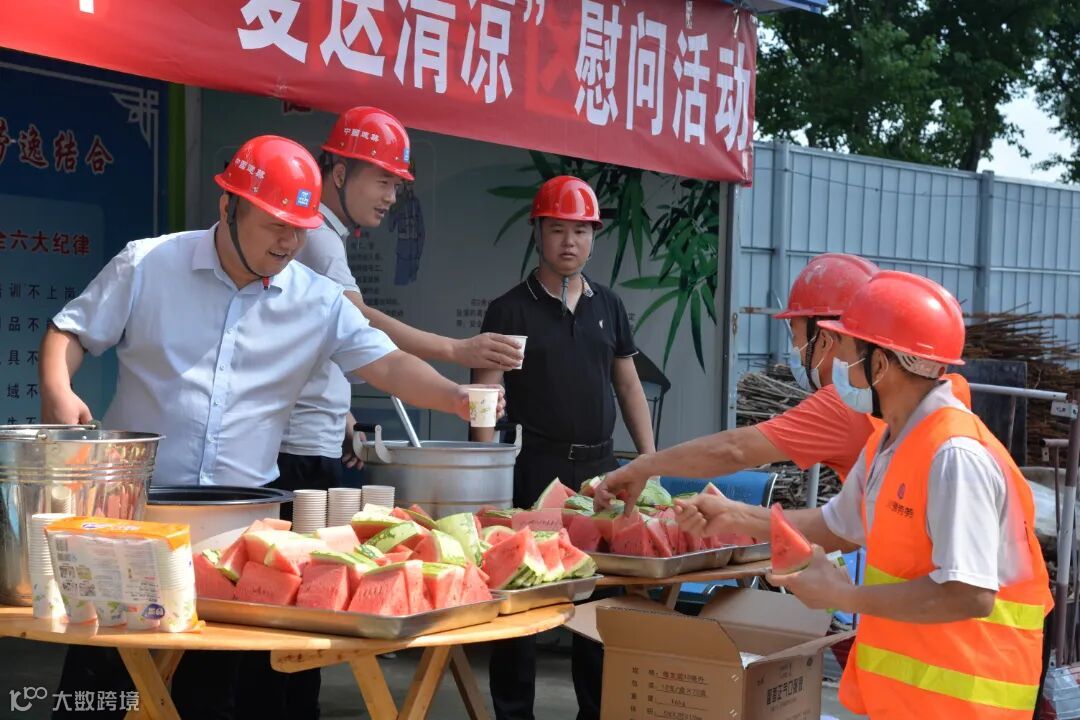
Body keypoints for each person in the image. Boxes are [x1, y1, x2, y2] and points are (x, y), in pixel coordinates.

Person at [40, 135, 503, 720]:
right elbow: (71, 331)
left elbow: (386, 364)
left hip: (235, 532)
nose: (288, 242)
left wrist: (454, 396)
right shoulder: (149, 263)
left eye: (300, 230)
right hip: (135, 513)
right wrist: (59, 390)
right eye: (275, 225)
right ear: (228, 206)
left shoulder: (318, 300)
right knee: (101, 682)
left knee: (207, 695)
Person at [676, 270, 1052, 719]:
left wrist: (845, 595)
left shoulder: (954, 456)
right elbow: (836, 526)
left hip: (968, 705)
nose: (838, 362)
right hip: (912, 703)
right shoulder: (889, 443)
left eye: (847, 349)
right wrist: (735, 516)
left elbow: (970, 594)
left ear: (880, 365)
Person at [264, 106, 522, 720]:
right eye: (381, 180)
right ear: (337, 172)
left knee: (298, 609)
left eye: (396, 184)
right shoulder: (320, 240)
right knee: (298, 613)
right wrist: (455, 353)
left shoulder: (323, 238)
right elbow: (361, 326)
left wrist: (344, 418)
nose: (391, 196)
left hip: (310, 441)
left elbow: (320, 344)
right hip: (296, 455)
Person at [470, 175, 656, 720]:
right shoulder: (509, 310)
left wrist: (648, 460)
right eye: (557, 229)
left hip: (601, 473)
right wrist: (485, 479)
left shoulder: (610, 306)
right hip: (534, 470)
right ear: (538, 233)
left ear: (593, 237)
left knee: (600, 603)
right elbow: (485, 397)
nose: (569, 241)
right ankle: (514, 714)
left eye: (580, 230)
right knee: (523, 603)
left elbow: (629, 385)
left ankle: (595, 712)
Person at [596, 252, 972, 511]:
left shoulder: (842, 407)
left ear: (829, 339)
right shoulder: (945, 400)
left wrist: (643, 466)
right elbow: (839, 526)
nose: (794, 350)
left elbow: (734, 450)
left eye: (797, 337)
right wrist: (742, 519)